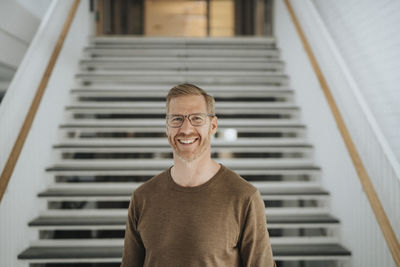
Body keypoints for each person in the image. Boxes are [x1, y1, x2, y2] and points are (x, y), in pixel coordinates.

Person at [121, 83, 275, 267]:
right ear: (167, 127)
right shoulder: (142, 197)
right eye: (177, 119)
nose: (186, 129)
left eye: (196, 118)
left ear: (213, 125)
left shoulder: (244, 198)